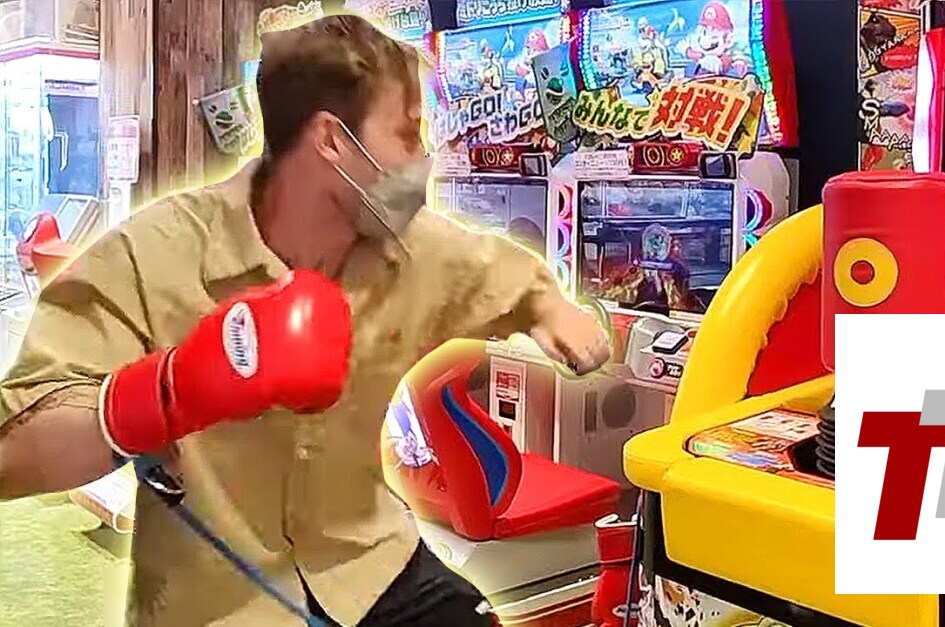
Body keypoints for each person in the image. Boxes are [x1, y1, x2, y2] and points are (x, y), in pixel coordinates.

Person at [0, 14, 610, 627]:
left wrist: (554, 310)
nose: (423, 161)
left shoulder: (415, 248)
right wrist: (171, 392)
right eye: (408, 135)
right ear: (331, 140)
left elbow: (501, 271)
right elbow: (12, 452)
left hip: (369, 565)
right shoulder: (155, 253)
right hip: (218, 603)